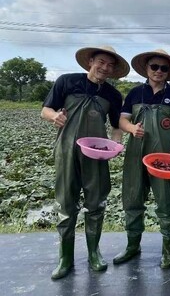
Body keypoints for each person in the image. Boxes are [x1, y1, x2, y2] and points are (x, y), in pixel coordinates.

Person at [41, 45, 129, 280]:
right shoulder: (67, 82)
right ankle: (65, 258)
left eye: (110, 65)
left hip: (97, 153)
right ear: (90, 61)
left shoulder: (112, 95)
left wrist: (116, 143)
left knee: (96, 203)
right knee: (66, 204)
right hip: (67, 150)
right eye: (101, 62)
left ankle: (94, 253)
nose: (105, 67)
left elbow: (117, 125)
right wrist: (54, 116)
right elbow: (45, 110)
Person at [113, 49, 170, 269]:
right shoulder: (136, 92)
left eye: (163, 68)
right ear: (146, 69)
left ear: (168, 72)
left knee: (166, 201)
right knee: (132, 198)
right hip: (136, 153)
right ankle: (132, 246)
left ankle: (168, 250)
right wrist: (130, 128)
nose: (158, 71)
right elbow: (122, 120)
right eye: (154, 67)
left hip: (165, 155)